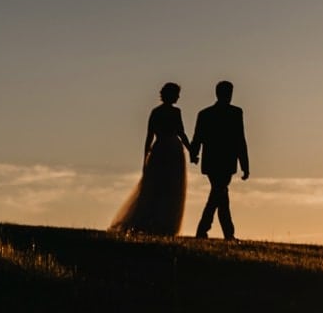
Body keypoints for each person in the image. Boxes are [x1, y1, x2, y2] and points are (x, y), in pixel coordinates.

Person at [107, 82, 190, 235]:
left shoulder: (156, 112)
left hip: (161, 150)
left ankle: (159, 224)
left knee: (161, 188)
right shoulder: (174, 112)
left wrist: (146, 157)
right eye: (176, 94)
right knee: (166, 188)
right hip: (171, 150)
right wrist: (191, 150)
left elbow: (150, 137)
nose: (178, 97)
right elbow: (181, 133)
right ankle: (160, 224)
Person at [189, 80, 250, 239]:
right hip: (224, 160)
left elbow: (198, 137)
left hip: (213, 161)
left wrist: (194, 154)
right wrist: (245, 165)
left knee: (221, 195)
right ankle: (203, 229)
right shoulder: (235, 113)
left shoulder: (206, 114)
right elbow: (239, 139)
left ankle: (227, 234)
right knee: (218, 193)